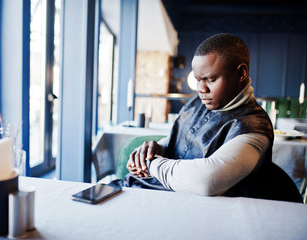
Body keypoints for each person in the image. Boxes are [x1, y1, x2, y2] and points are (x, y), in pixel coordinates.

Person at [122, 33, 302, 202]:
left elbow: (207, 181)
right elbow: (179, 140)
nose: (201, 89)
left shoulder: (254, 127)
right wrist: (156, 148)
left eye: (210, 79)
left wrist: (152, 164)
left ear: (241, 73)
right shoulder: (197, 102)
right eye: (198, 79)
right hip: (175, 198)